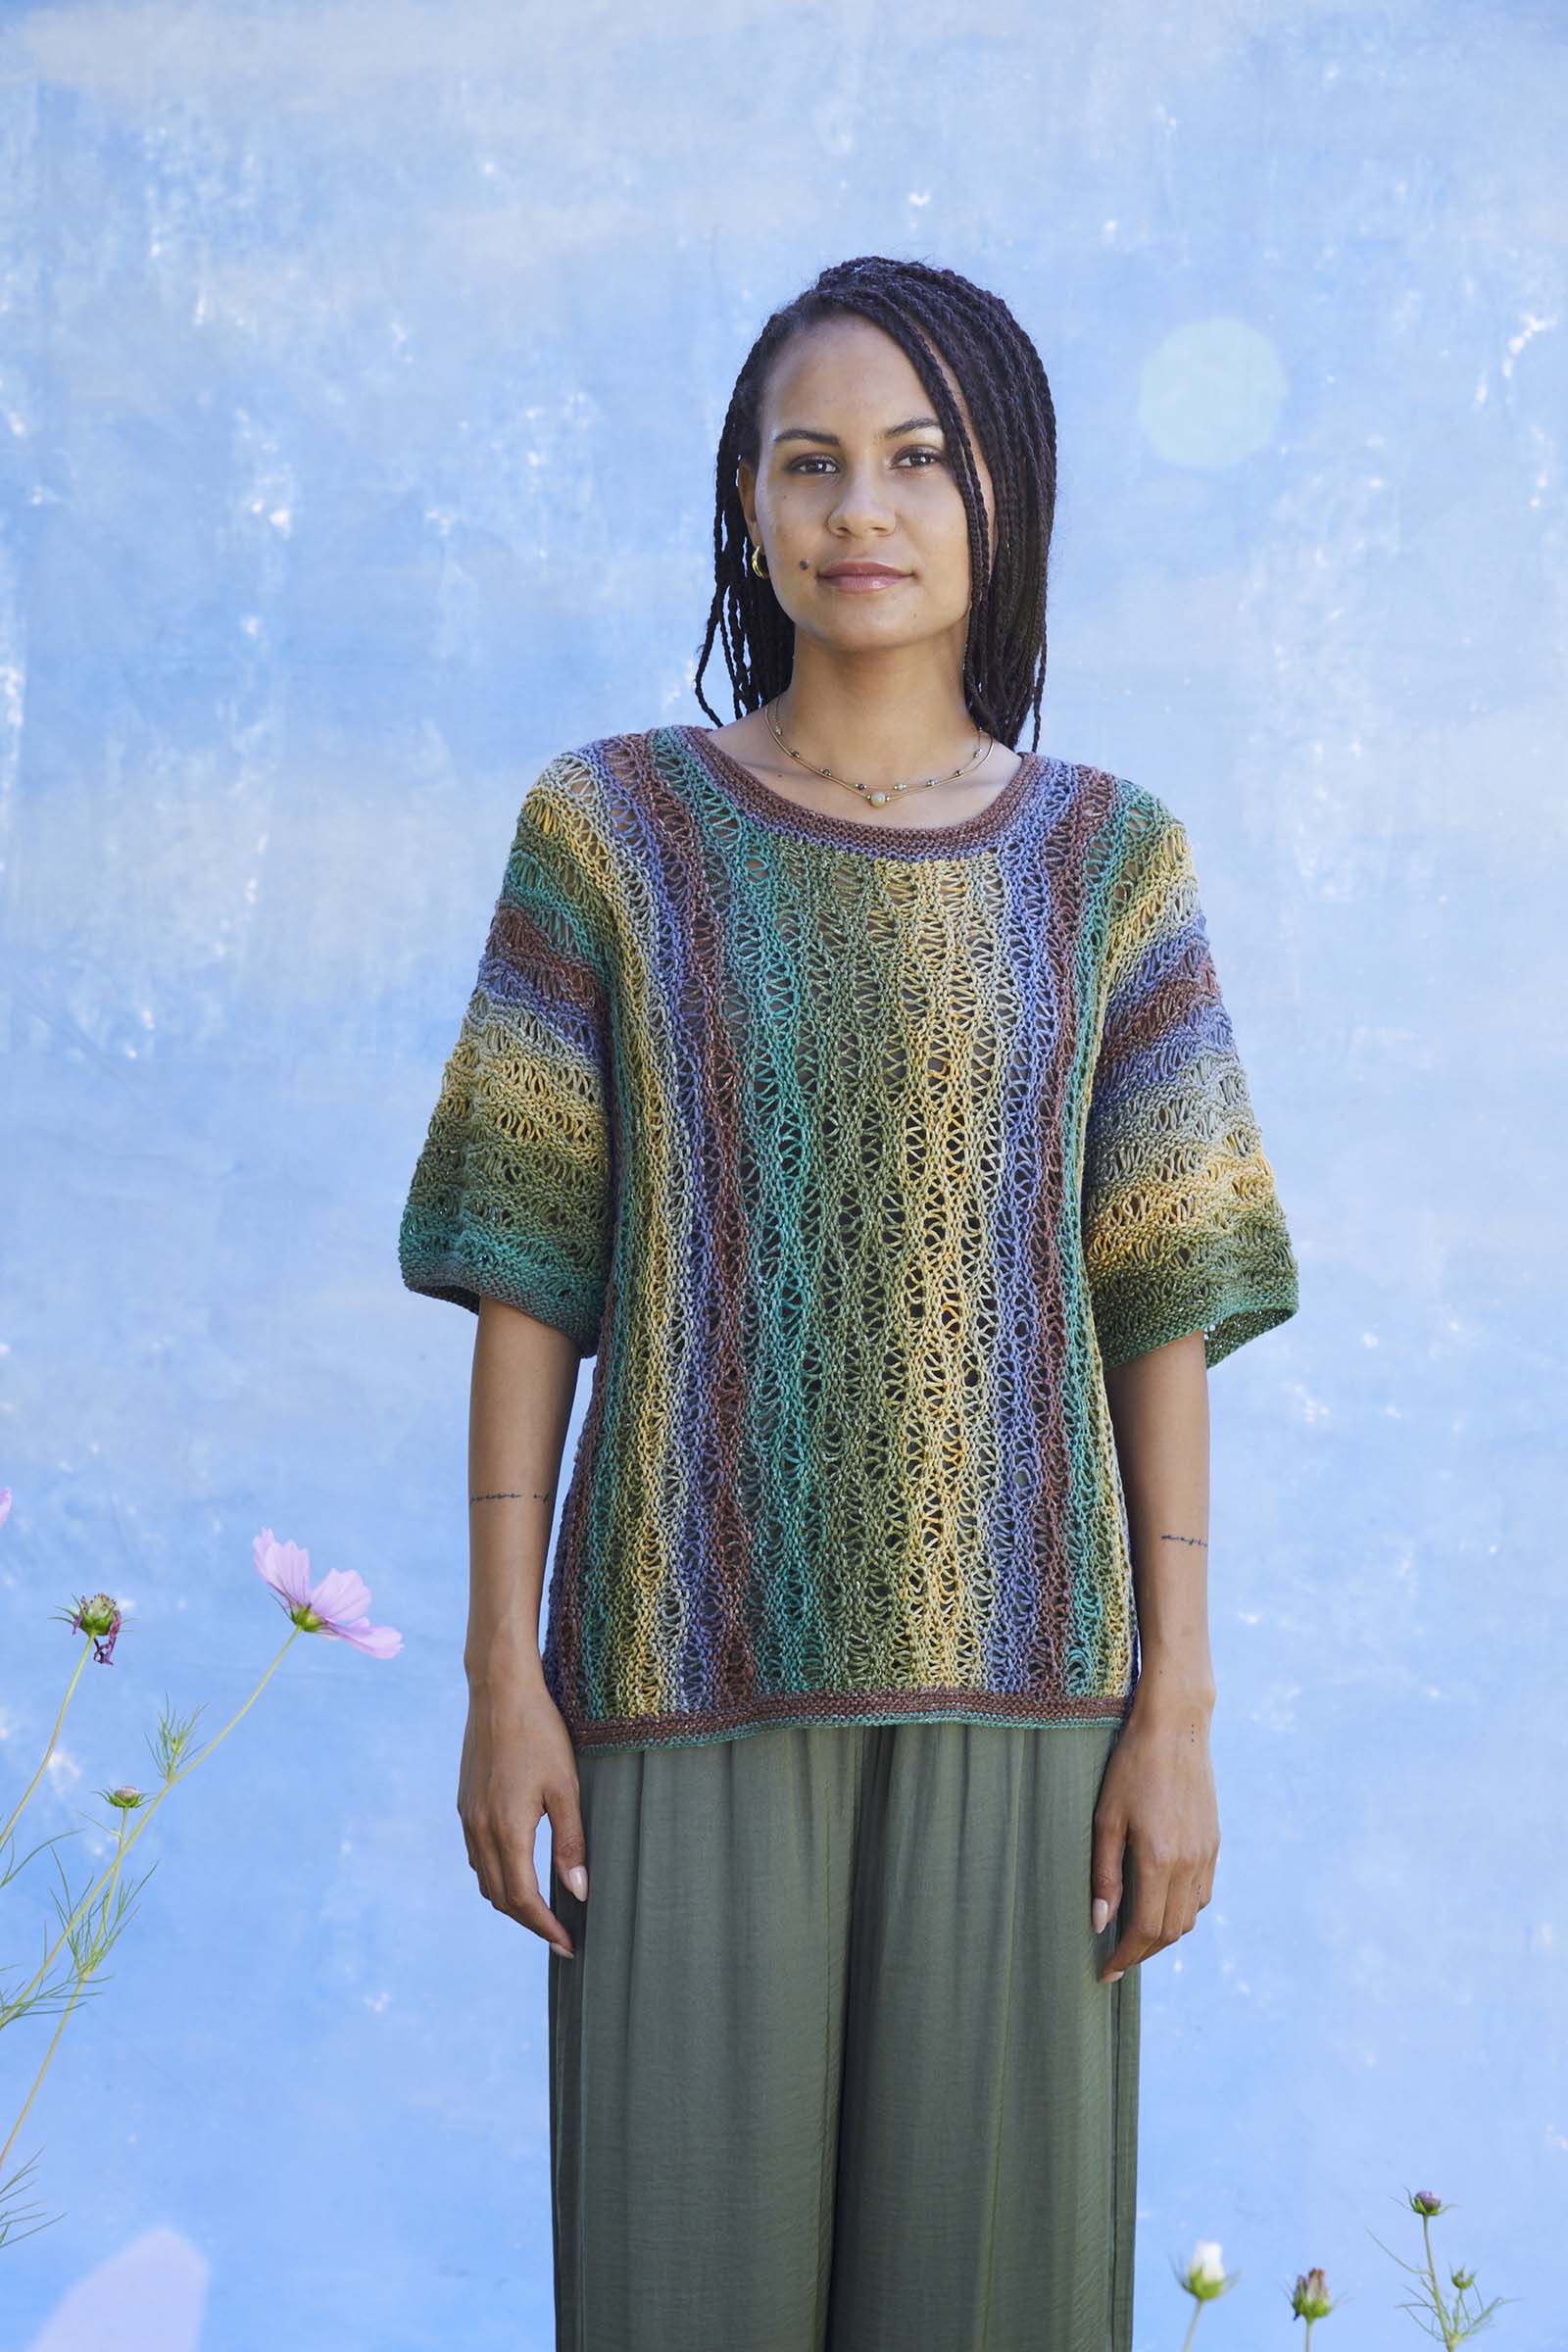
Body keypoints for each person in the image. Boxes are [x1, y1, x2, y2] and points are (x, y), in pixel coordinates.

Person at [398, 254, 1300, 2352]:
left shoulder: (1113, 864)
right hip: (670, 1669)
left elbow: (1160, 1302)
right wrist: (501, 1678)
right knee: (678, 2295)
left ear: (1005, 497)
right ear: (746, 503)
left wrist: (1175, 1710)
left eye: (916, 459)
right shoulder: (610, 834)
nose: (859, 509)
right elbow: (527, 1272)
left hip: (1031, 1688)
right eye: (806, 464)